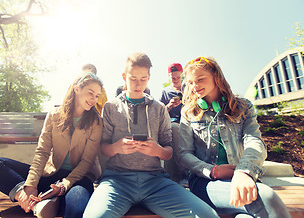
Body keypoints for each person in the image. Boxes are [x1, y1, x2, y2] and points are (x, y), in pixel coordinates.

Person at [83, 52, 219, 218]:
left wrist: (157, 150)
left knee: (207, 215)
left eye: (143, 79)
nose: (138, 84)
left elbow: (168, 152)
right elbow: (103, 149)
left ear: (149, 77)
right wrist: (117, 147)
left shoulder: (160, 108)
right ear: (124, 76)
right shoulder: (111, 107)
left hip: (156, 182)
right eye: (133, 78)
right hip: (117, 182)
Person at [176, 56, 290, 217]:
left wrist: (243, 172)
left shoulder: (243, 107)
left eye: (200, 79)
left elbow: (255, 141)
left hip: (242, 178)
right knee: (266, 197)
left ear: (216, 76)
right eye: (191, 82)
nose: (195, 86)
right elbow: (183, 154)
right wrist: (212, 171)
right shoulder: (189, 113)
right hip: (204, 183)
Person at [0, 72, 104, 218]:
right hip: (52, 175)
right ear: (77, 89)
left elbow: (87, 161)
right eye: (91, 93)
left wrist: (63, 186)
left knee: (76, 207)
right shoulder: (54, 114)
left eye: (97, 96)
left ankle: (52, 200)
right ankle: (30, 200)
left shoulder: (96, 122)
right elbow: (42, 152)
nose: (94, 99)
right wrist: (30, 186)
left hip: (77, 179)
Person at [160, 63, 188, 182]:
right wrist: (169, 106)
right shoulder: (165, 92)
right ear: (169, 76)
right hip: (172, 123)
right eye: (172, 78)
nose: (175, 80)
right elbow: (160, 113)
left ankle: (185, 173)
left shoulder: (189, 88)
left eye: (178, 77)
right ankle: (178, 174)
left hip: (188, 121)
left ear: (182, 75)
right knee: (173, 128)